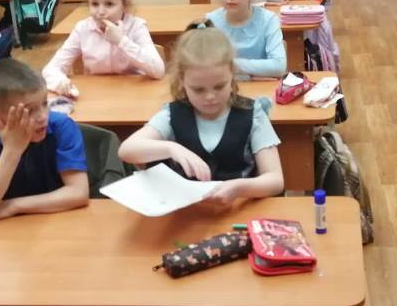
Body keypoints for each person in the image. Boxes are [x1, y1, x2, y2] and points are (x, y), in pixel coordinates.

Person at [118, 25, 284, 204]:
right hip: (185, 213)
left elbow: (275, 180)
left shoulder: (253, 114)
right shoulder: (172, 115)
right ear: (182, 81)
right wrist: (171, 148)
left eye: (219, 86)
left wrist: (241, 188)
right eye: (198, 89)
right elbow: (126, 151)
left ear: (232, 74)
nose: (210, 96)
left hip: (237, 212)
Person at [0, 59, 89, 224]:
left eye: (45, 104)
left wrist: (13, 206)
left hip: (59, 222)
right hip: (9, 229)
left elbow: (78, 193)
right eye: (29, 111)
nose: (43, 116)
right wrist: (12, 150)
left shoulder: (63, 126)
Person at [42, 0, 165, 97]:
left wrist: (121, 41)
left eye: (109, 4)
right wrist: (60, 83)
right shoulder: (83, 29)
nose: (100, 12)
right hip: (97, 96)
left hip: (136, 94)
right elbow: (50, 69)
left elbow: (158, 71)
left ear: (124, 5)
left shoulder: (136, 26)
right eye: (95, 4)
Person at [206, 0, 285, 78]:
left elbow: (279, 66)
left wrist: (231, 65)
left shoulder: (268, 20)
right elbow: (203, 65)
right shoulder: (210, 22)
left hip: (259, 89)